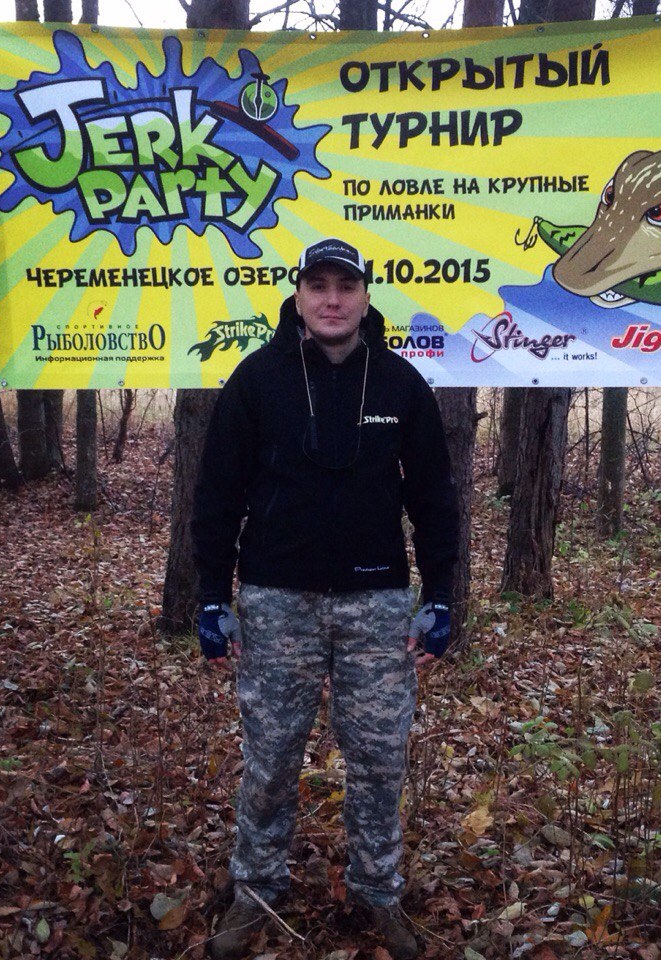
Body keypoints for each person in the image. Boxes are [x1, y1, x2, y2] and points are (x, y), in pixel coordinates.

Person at [192, 237, 459, 960]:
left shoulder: (402, 385)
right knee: (271, 757)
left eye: (346, 286)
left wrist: (441, 597)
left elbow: (435, 501)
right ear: (299, 295)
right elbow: (216, 498)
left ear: (366, 298)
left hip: (378, 605)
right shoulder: (256, 381)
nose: (332, 300)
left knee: (378, 760)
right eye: (319, 286)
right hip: (277, 601)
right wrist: (213, 597)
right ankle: (255, 890)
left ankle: (378, 891)